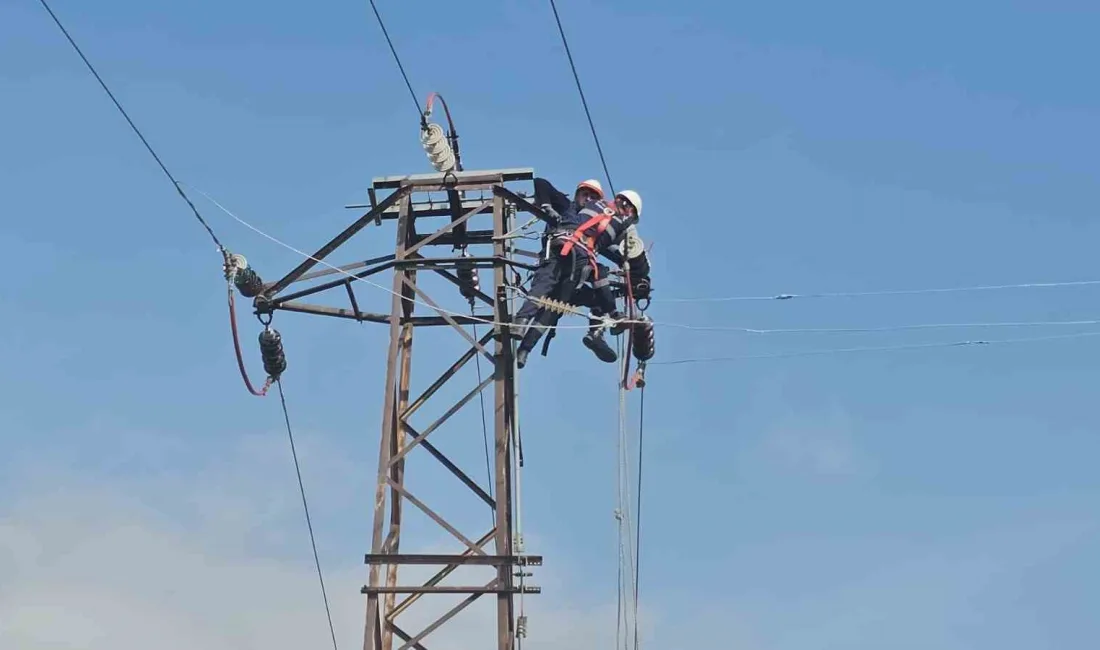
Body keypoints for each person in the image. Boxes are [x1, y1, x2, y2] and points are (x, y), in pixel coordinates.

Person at [513, 185, 645, 368]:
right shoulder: (580, 210)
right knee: (549, 290)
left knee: (551, 304)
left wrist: (636, 272)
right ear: (629, 209)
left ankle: (524, 344)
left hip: (574, 259)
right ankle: (612, 316)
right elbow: (626, 248)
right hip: (571, 254)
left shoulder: (605, 218)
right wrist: (547, 207)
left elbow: (623, 250)